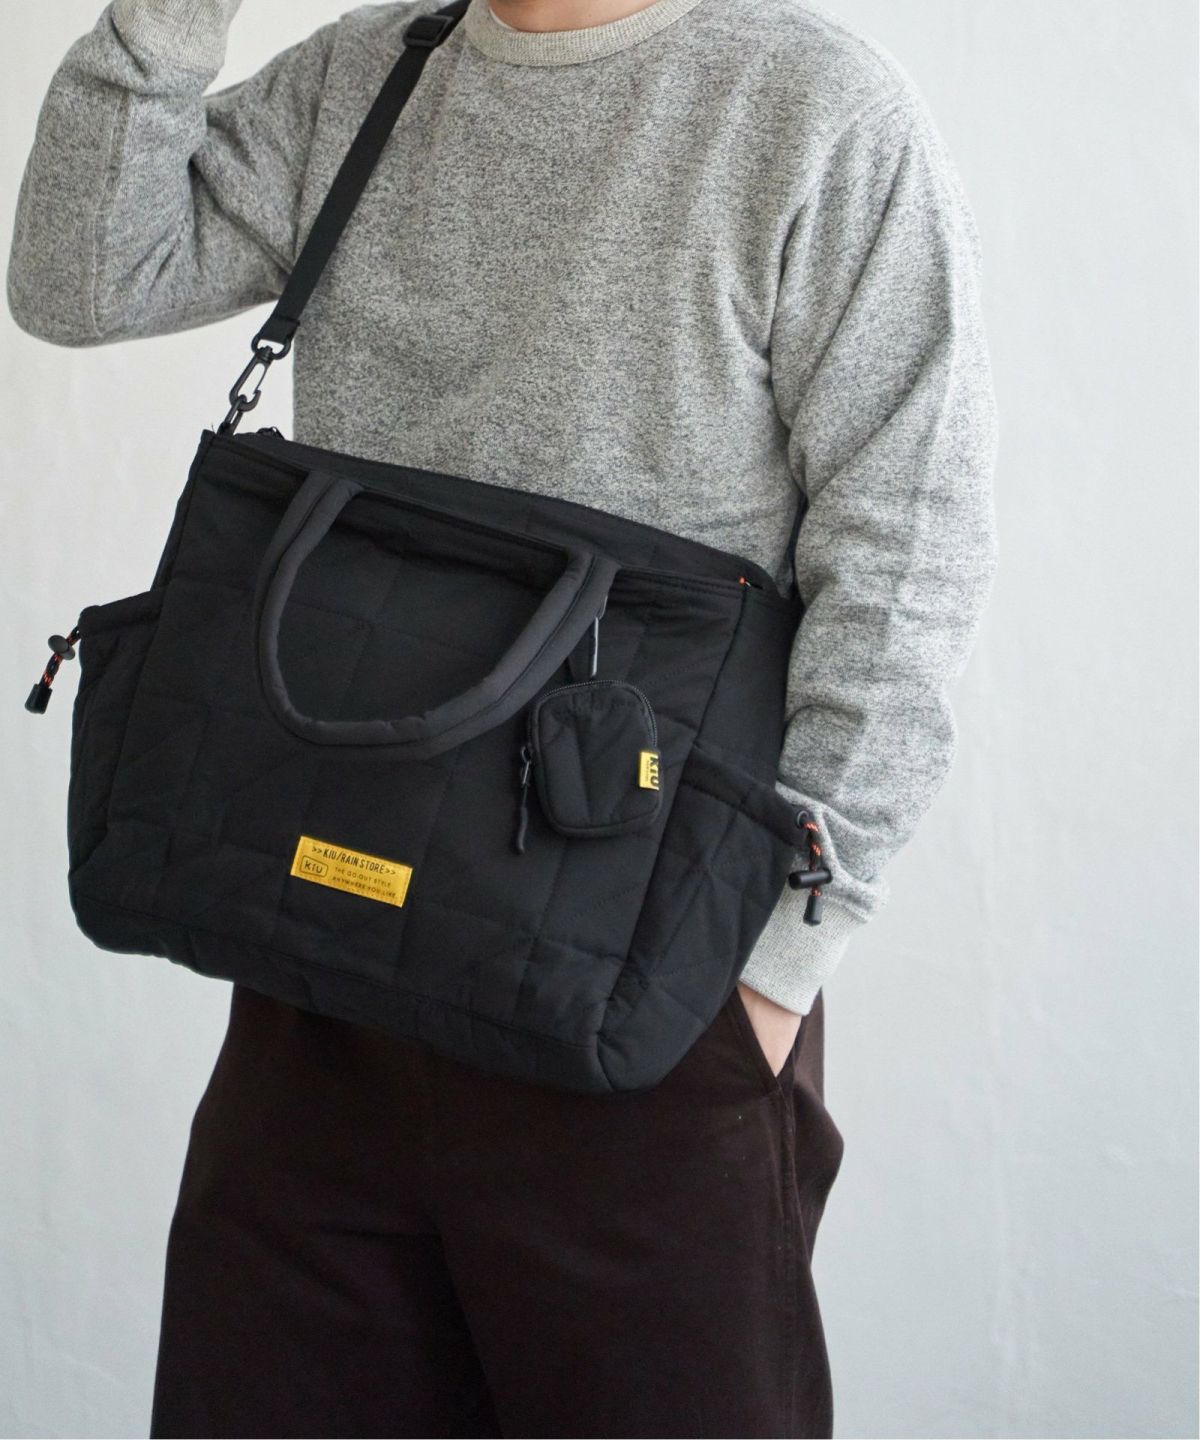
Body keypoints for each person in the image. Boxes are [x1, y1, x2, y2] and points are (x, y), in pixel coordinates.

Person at [7, 0, 998, 1433]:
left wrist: (780, 966)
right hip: (321, 969)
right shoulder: (373, 66)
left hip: (646, 987)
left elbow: (909, 547)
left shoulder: (814, 109)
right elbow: (80, 276)